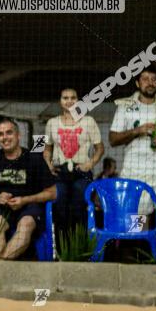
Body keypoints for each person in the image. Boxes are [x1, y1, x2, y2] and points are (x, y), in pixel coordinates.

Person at [109, 65, 156, 238]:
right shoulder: (126, 107)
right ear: (137, 83)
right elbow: (113, 139)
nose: (150, 83)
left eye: (153, 79)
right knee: (138, 217)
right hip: (135, 167)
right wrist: (137, 131)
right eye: (145, 79)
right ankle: (138, 255)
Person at [0, 118, 57, 260]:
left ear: (18, 135)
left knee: (25, 225)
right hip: (1, 207)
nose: (5, 137)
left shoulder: (34, 159)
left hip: (29, 207)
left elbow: (52, 193)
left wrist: (25, 199)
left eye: (9, 133)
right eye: (1, 134)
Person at [43, 87, 104, 234]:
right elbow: (47, 149)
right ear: (60, 101)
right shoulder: (51, 122)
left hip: (81, 170)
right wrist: (48, 164)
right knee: (59, 207)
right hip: (60, 171)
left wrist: (90, 163)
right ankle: (61, 250)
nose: (69, 101)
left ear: (78, 101)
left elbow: (100, 148)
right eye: (65, 98)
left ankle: (80, 249)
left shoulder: (89, 121)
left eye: (73, 97)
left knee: (79, 206)